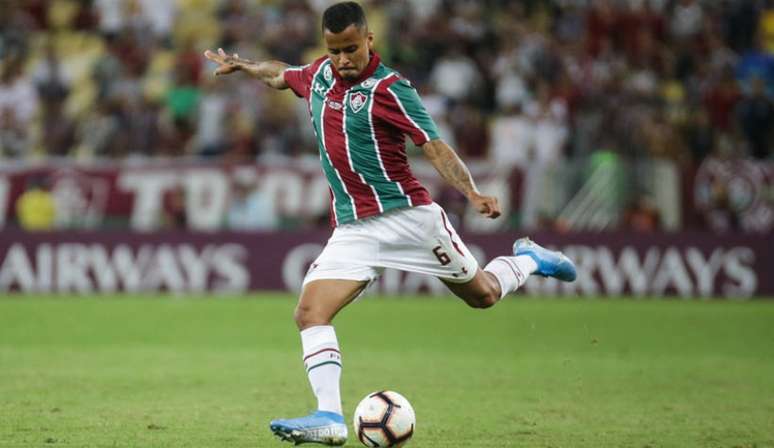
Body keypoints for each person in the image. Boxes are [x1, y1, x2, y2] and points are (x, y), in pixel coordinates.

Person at [205, 2, 577, 445]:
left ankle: (530, 260)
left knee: (483, 295)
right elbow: (280, 73)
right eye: (334, 50)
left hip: (410, 220)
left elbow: (434, 146)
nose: (342, 60)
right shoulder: (319, 74)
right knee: (309, 312)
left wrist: (471, 192)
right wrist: (244, 65)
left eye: (350, 49)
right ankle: (329, 417)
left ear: (369, 40)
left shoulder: (392, 89)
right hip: (353, 229)